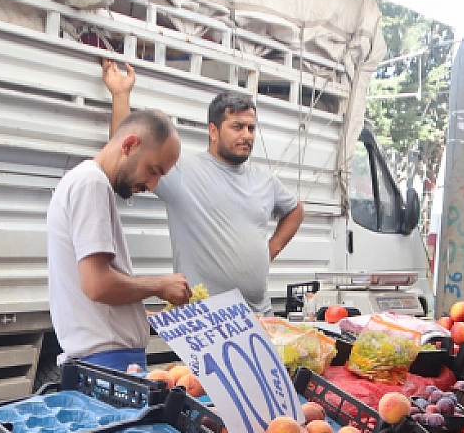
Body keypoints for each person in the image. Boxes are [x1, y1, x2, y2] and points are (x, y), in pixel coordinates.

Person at [103, 61, 305, 315]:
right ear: (213, 130)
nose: (247, 135)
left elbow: (295, 210)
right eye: (237, 127)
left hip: (259, 315)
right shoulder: (182, 170)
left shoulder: (264, 179)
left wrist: (269, 251)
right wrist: (121, 95)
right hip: (206, 320)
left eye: (251, 128)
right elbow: (127, 152)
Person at [45, 107, 191, 370]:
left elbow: (92, 303)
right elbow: (98, 285)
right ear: (130, 145)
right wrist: (159, 285)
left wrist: (143, 318)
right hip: (108, 365)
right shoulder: (92, 183)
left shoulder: (84, 181)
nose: (152, 185)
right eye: (153, 170)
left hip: (107, 361)